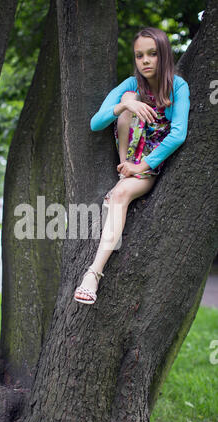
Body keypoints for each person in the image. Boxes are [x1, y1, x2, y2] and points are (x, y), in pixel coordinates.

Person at [74, 27, 190, 304]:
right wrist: (126, 106)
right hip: (129, 157)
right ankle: (122, 177)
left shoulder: (178, 87)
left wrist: (143, 167)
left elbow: (178, 133)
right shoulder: (130, 85)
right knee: (128, 102)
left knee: (120, 195)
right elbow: (95, 123)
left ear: (164, 55)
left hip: (152, 162)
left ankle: (93, 274)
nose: (146, 61)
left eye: (152, 54)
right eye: (140, 56)